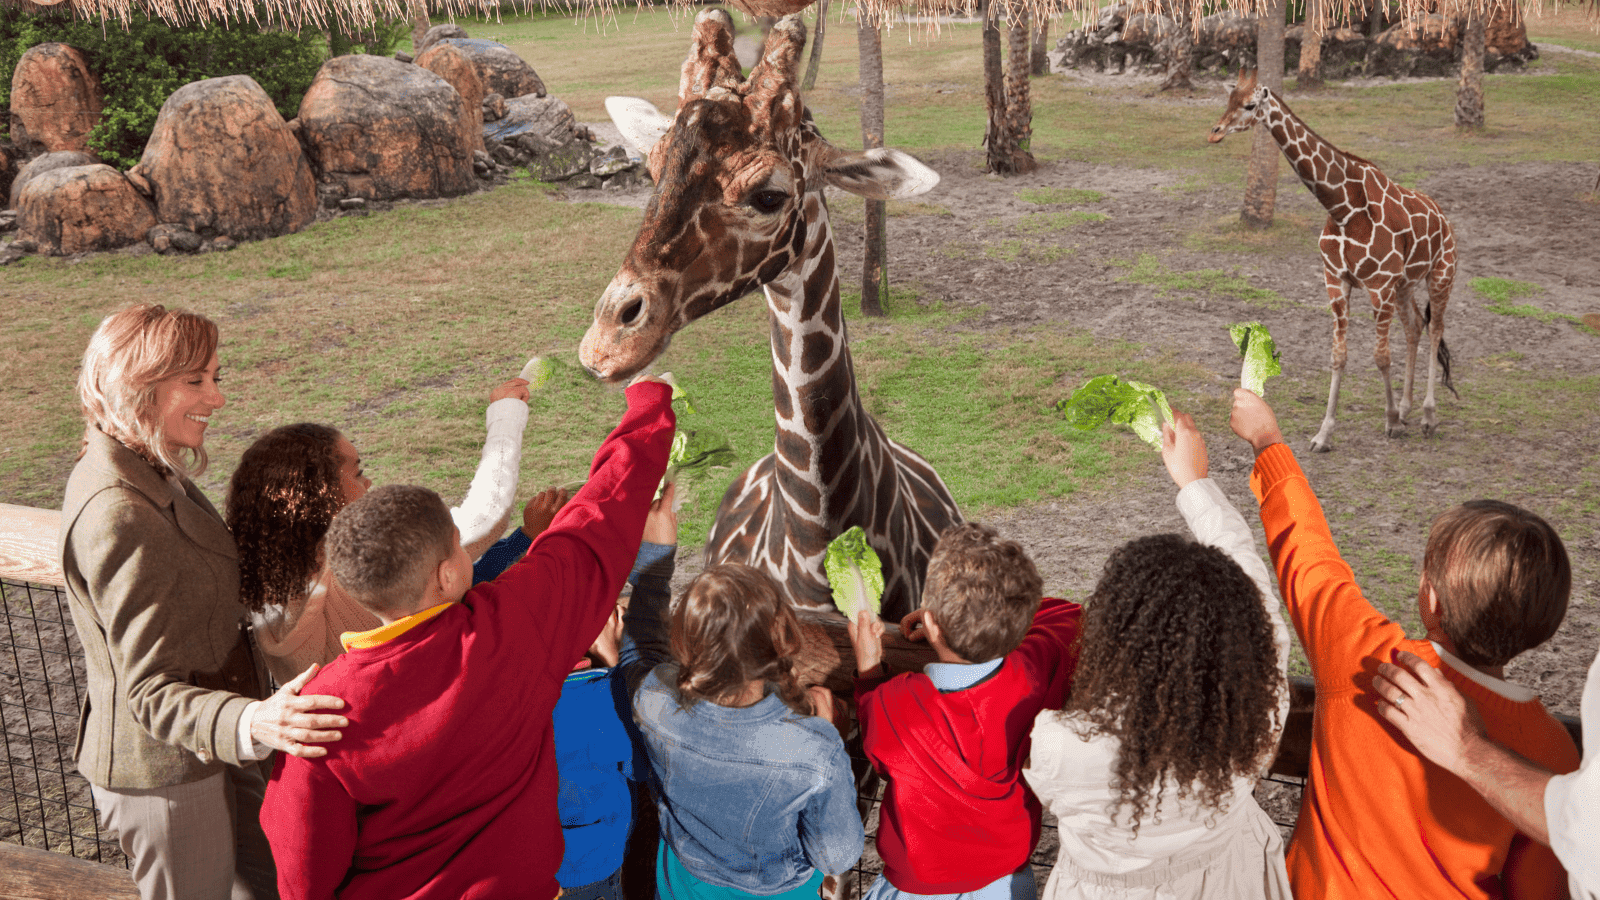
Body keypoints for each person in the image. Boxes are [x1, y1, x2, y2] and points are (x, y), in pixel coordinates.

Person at [260, 374, 674, 900]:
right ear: (448, 574)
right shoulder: (511, 628)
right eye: (459, 547)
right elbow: (597, 519)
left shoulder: (316, 717)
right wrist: (650, 403)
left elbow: (302, 877)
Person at [1230, 387, 1579, 899]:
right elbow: (1539, 890)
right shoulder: (1555, 753)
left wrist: (1267, 439)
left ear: (1430, 599)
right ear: (1545, 623)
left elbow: (1310, 557)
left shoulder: (1365, 657)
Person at [59, 303, 348, 900]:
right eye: (195, 381)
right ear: (135, 385)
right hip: (167, 777)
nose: (216, 399)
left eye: (216, 378)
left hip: (216, 748)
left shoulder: (145, 463)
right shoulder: (120, 512)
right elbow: (149, 692)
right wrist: (255, 719)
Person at [1023, 412, 1292, 899]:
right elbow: (1256, 586)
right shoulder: (1261, 704)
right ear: (1240, 633)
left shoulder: (1058, 743)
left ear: (1115, 633)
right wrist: (1195, 482)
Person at [227, 377, 529, 688]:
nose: (368, 483)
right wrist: (506, 414)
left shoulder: (267, 572)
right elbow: (485, 516)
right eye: (358, 472)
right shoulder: (359, 564)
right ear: (320, 496)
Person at [845, 522, 1082, 900]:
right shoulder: (1037, 668)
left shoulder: (893, 703)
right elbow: (1068, 613)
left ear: (932, 626)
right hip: (1006, 882)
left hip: (918, 887)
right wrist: (996, 618)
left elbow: (875, 736)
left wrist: (869, 670)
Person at [633, 564, 864, 900]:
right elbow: (836, 856)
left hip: (682, 881)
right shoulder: (813, 750)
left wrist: (653, 564)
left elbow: (645, 662)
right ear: (778, 639)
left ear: (683, 640)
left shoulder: (653, 699)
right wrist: (830, 737)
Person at [1372, 640, 1599, 899]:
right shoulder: (1553, 744)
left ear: (1432, 602)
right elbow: (1538, 887)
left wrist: (1466, 748)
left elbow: (1587, 827)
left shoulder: (1376, 661)